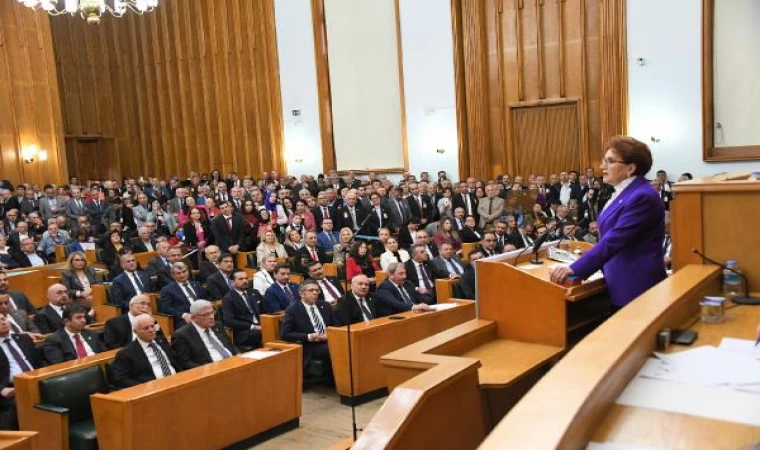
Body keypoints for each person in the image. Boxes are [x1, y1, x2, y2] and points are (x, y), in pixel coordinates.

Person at [550, 136, 667, 311]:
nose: (602, 167)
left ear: (630, 168)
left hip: (635, 286)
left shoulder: (641, 196)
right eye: (604, 161)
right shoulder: (623, 192)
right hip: (618, 279)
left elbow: (614, 239)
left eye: (609, 161)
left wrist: (575, 268)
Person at [280, 280, 339, 375]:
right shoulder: (293, 310)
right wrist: (309, 336)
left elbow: (337, 325)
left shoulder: (325, 305)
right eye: (311, 290)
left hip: (329, 339)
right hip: (311, 345)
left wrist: (328, 334)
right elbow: (285, 334)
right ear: (302, 294)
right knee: (335, 348)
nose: (315, 293)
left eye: (317, 290)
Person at [110, 313, 181, 389]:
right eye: (146, 328)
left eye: (152, 326)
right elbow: (120, 379)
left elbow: (175, 362)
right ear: (135, 331)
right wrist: (143, 387)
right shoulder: (126, 353)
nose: (151, 330)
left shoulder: (162, 340)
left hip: (176, 381)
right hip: (152, 389)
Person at [0, 315, 43, 430]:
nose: (3, 322)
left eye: (3, 319)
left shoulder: (24, 338)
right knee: (18, 404)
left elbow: (39, 362)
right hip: (11, 389)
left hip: (37, 380)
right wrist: (1, 389)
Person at [171, 300, 238, 370]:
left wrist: (240, 356)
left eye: (212, 312)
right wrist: (206, 370)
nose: (212, 317)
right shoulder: (182, 335)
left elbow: (230, 346)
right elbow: (185, 363)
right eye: (206, 315)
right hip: (210, 370)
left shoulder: (217, 325)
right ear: (194, 318)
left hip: (233, 363)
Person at [41, 305, 107, 364]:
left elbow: (105, 354)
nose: (84, 320)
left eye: (84, 317)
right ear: (67, 321)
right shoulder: (54, 341)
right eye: (79, 318)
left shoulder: (92, 334)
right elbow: (60, 365)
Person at [158, 262, 208, 328]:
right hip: (185, 318)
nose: (182, 275)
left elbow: (205, 299)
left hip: (203, 314)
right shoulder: (167, 290)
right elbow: (166, 308)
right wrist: (183, 315)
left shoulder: (197, 284)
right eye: (178, 273)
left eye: (184, 271)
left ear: (188, 271)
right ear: (173, 275)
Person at [222, 270, 263, 349]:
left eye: (246, 278)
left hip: (261, 325)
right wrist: (252, 326)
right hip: (244, 331)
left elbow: (265, 310)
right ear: (232, 282)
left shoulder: (254, 292)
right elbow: (229, 321)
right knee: (261, 332)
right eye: (240, 279)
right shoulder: (228, 298)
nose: (245, 281)